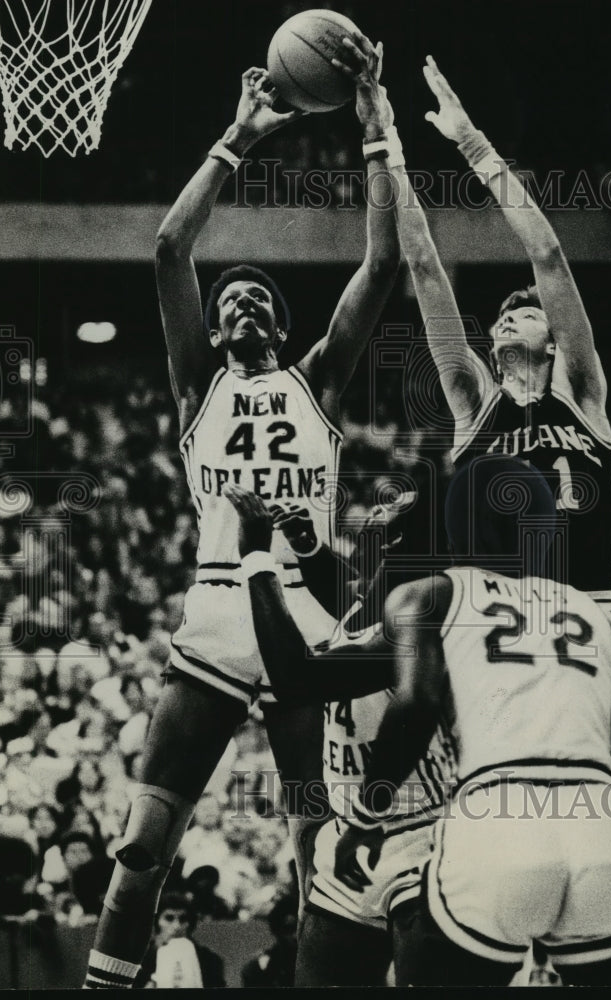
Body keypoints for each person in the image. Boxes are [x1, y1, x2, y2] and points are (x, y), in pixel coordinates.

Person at [84, 40, 399, 989]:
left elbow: (382, 261)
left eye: (264, 296)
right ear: (217, 331)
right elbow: (171, 247)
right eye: (236, 300)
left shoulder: (318, 383)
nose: (250, 302)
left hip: (305, 622)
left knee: (316, 855)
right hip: (220, 618)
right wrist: (240, 136)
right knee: (142, 845)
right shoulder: (195, 389)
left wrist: (376, 130)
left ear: (282, 326)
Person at [334, 455, 611, 986]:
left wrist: (365, 816)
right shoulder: (597, 615)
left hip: (496, 823)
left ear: (456, 526)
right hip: (601, 828)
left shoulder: (431, 594)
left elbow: (416, 705)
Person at [373, 55, 611, 603]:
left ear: (555, 343)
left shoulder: (582, 393)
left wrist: (474, 146)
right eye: (503, 316)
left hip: (588, 610)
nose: (506, 317)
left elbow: (548, 256)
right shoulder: (473, 403)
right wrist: (389, 148)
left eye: (526, 314)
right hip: (493, 620)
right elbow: (426, 267)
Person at [225, 479, 454, 987]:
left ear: (403, 541)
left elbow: (295, 675)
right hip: (356, 833)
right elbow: (351, 603)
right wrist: (308, 548)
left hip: (422, 838)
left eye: (395, 507)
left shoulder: (417, 625)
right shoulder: (384, 602)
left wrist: (257, 560)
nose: (380, 507)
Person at [134, 891, 226, 989]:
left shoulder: (209, 961)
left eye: (183, 919)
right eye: (169, 918)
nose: (177, 926)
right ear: (156, 922)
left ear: (190, 924)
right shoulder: (140, 961)